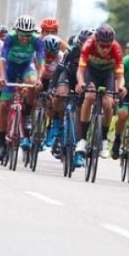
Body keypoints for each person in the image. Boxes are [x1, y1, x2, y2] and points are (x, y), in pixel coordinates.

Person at [0, 15, 44, 161]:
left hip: (26, 67)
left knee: (32, 82)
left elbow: (41, 63)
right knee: (3, 105)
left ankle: (27, 115)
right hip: (9, 68)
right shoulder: (10, 38)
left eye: (28, 35)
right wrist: (1, 78)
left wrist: (39, 79)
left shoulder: (37, 40)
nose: (24, 38)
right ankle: (0, 142)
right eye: (22, 34)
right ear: (16, 31)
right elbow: (1, 61)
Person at [74, 24, 126, 160]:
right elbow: (81, 70)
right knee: (89, 97)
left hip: (107, 74)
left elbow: (120, 76)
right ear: (96, 41)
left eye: (108, 46)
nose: (105, 49)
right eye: (102, 46)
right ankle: (82, 139)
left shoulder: (116, 49)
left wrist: (121, 87)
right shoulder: (88, 45)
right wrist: (81, 83)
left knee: (108, 103)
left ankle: (104, 140)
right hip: (91, 72)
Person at [52, 29, 93, 167]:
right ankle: (56, 122)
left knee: (81, 115)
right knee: (60, 95)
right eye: (82, 44)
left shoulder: (94, 55)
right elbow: (60, 69)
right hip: (68, 76)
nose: (84, 47)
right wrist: (53, 87)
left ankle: (78, 151)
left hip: (83, 81)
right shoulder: (71, 51)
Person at [40, 34, 65, 148]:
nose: (50, 58)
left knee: (54, 103)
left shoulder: (61, 57)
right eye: (47, 54)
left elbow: (61, 76)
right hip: (40, 79)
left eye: (53, 55)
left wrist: (54, 90)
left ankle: (50, 126)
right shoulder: (38, 54)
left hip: (54, 80)